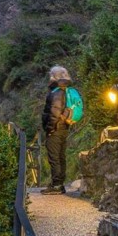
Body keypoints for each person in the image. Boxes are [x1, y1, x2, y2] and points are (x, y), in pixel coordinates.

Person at [41, 65, 74, 194]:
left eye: (52, 75)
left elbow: (54, 112)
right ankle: (60, 183)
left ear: (55, 77)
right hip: (64, 127)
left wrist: (49, 129)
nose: (50, 77)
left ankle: (56, 185)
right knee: (61, 156)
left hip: (56, 128)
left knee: (54, 157)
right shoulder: (66, 90)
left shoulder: (57, 92)